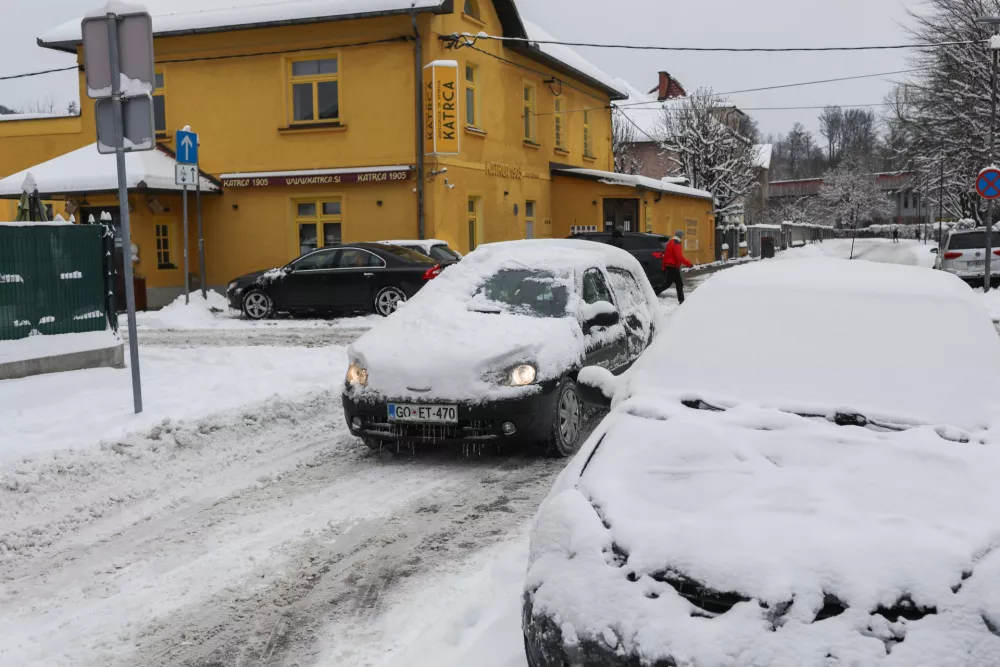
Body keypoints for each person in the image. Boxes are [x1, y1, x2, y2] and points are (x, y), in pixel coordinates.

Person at [661, 230, 693, 304]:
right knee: (668, 284)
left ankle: (681, 300)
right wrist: (689, 264)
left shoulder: (670, 242)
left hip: (671, 266)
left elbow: (666, 255)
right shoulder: (676, 243)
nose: (682, 237)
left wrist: (663, 266)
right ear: (680, 236)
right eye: (682, 235)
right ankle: (653, 294)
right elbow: (679, 257)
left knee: (679, 284)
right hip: (673, 266)